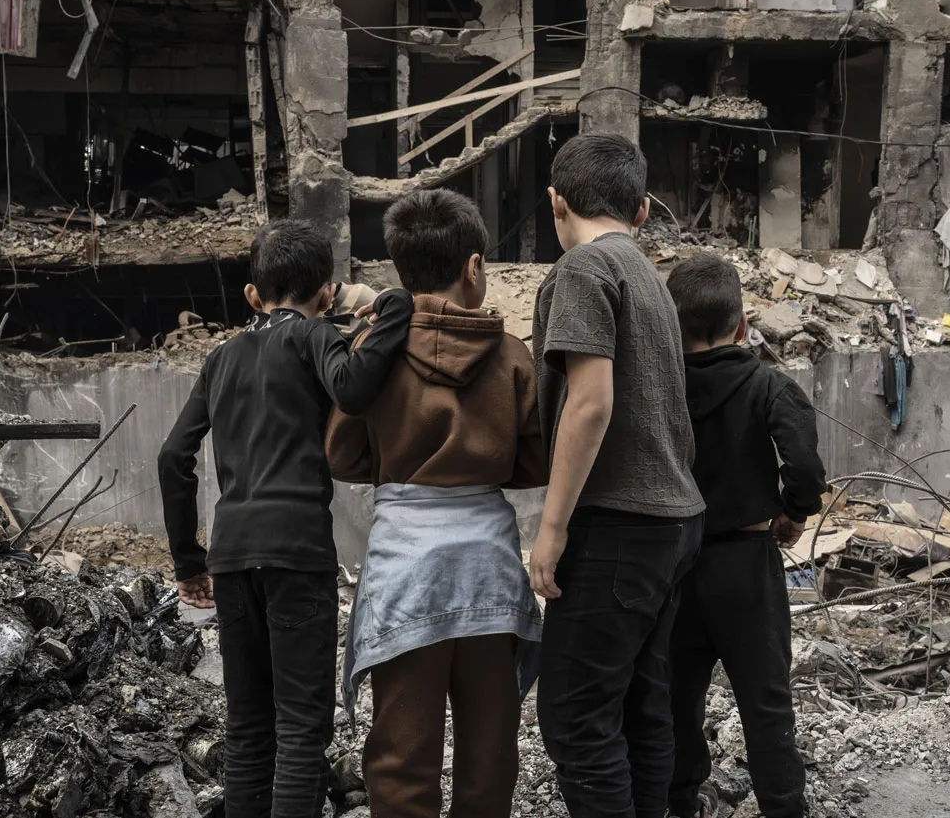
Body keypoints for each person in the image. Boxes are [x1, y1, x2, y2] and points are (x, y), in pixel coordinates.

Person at [158, 219, 415, 818]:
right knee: (302, 728)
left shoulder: (220, 357)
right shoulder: (312, 336)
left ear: (252, 295)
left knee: (248, 727)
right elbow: (352, 389)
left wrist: (187, 559)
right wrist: (392, 305)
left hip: (230, 554)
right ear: (326, 293)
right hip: (296, 553)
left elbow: (174, 455)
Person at [326, 189, 549, 818]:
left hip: (406, 569)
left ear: (401, 270)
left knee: (401, 754)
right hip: (488, 572)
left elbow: (342, 454)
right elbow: (534, 459)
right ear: (474, 267)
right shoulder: (510, 356)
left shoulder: (374, 351)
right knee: (490, 751)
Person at [528, 133, 707, 818]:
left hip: (618, 529)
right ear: (640, 211)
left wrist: (551, 526)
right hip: (671, 523)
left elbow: (592, 402)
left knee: (574, 717)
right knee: (640, 709)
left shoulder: (583, 271)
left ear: (555, 202)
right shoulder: (647, 274)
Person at [663, 253, 826, 818]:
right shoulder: (768, 385)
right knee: (765, 701)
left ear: (670, 322)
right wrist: (794, 511)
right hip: (748, 565)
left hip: (675, 565)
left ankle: (681, 802)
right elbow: (803, 463)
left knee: (677, 698)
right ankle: (783, 806)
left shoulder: (658, 389)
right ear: (741, 324)